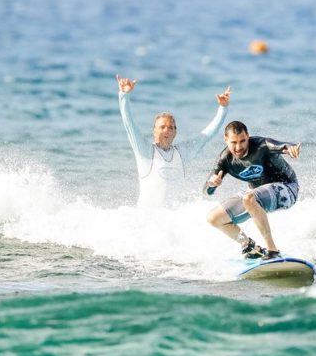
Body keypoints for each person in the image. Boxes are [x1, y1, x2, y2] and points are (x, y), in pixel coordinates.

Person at [116, 75, 231, 208]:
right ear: (154, 130)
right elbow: (129, 124)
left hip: (173, 222)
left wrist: (223, 108)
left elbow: (207, 134)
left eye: (171, 127)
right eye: (162, 127)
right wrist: (124, 95)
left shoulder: (182, 153)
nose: (167, 130)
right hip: (146, 222)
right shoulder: (145, 151)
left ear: (175, 132)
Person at [204, 121, 302, 260]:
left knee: (249, 198)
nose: (239, 147)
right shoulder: (225, 159)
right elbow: (207, 190)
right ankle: (250, 246)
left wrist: (290, 147)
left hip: (286, 188)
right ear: (225, 140)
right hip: (255, 195)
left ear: (248, 136)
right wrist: (212, 184)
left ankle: (272, 251)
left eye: (243, 141)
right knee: (214, 218)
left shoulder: (261, 145)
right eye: (234, 142)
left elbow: (281, 145)